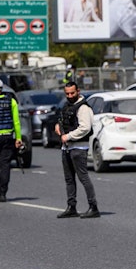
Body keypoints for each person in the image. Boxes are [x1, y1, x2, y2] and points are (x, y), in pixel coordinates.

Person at [56, 81, 100, 218]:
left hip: (79, 147)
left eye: (72, 93)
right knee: (69, 179)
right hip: (67, 147)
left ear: (78, 91)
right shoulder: (68, 106)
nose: (69, 96)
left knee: (83, 177)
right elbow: (64, 120)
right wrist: (58, 127)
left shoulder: (83, 108)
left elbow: (85, 127)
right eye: (67, 93)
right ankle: (71, 206)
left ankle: (93, 207)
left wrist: (68, 136)